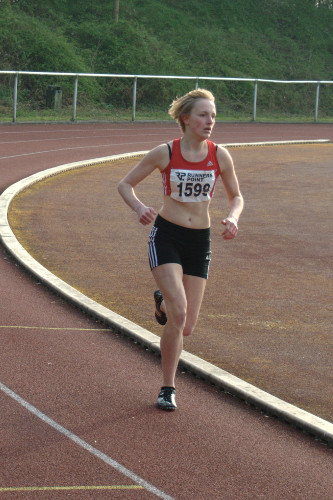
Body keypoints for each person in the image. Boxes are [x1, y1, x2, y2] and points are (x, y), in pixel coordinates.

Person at [118, 89, 244, 410]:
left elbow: (236, 196)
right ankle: (167, 388)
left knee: (185, 325)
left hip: (199, 241)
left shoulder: (220, 155)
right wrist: (138, 207)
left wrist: (232, 216)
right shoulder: (165, 153)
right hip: (167, 236)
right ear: (186, 119)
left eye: (213, 116)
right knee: (181, 312)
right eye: (204, 115)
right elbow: (125, 184)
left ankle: (162, 303)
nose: (210, 121)